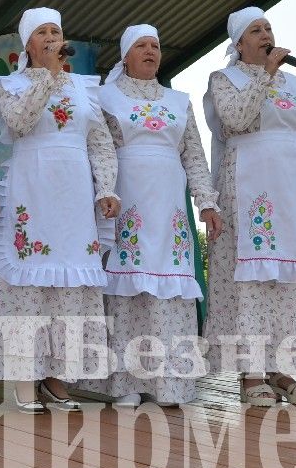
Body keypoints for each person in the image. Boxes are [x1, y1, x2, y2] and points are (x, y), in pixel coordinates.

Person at [79, 25, 222, 407]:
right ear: (125, 55)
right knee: (128, 287)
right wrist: (104, 191)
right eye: (141, 45)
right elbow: (97, 149)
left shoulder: (179, 101)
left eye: (156, 46)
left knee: (170, 289)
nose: (150, 51)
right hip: (127, 198)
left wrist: (206, 202)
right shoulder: (104, 96)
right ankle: (125, 383)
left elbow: (193, 154)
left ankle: (169, 385)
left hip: (170, 204)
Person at [0, 7, 119, 413]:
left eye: (56, 31)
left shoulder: (84, 87)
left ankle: (58, 380)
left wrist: (106, 188)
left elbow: (99, 142)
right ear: (27, 44)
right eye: (42, 32)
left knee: (71, 284)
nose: (50, 38)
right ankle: (24, 380)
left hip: (75, 195)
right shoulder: (10, 85)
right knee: (31, 280)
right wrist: (43, 73)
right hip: (33, 187)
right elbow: (21, 124)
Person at [202, 7, 296, 406]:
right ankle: (251, 372)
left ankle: (281, 368)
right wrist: (266, 74)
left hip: (291, 191)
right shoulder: (225, 79)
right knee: (252, 279)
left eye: (268, 28)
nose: (265, 34)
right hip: (246, 184)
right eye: (255, 30)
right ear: (239, 44)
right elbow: (237, 119)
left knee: (286, 280)